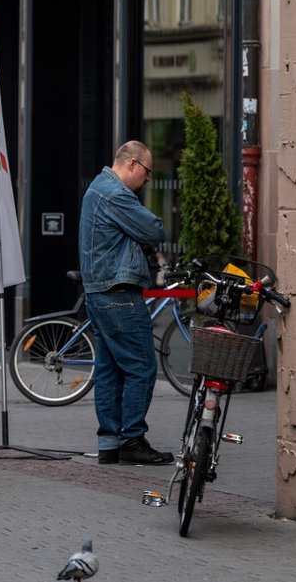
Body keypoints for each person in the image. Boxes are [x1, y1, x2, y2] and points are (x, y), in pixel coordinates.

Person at [78, 140, 171, 465]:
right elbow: (153, 229)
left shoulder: (97, 189)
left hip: (100, 294)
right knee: (142, 367)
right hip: (118, 294)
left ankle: (109, 443)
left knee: (109, 370)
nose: (147, 180)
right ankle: (132, 440)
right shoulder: (115, 194)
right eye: (147, 172)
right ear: (131, 164)